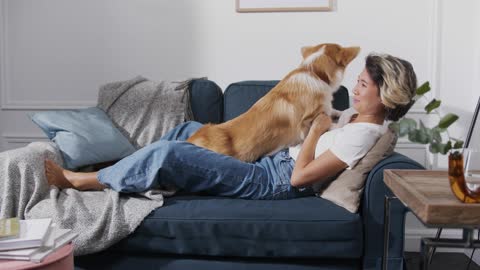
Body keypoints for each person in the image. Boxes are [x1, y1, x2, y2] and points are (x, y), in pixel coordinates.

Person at [45, 53, 418, 200]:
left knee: (174, 152)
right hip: (269, 165)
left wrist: (318, 131)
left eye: (364, 85)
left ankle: (83, 180)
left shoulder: (366, 134)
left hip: (273, 181)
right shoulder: (356, 119)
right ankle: (120, 170)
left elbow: (299, 179)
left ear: (386, 97)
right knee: (186, 128)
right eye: (357, 80)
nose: (354, 87)